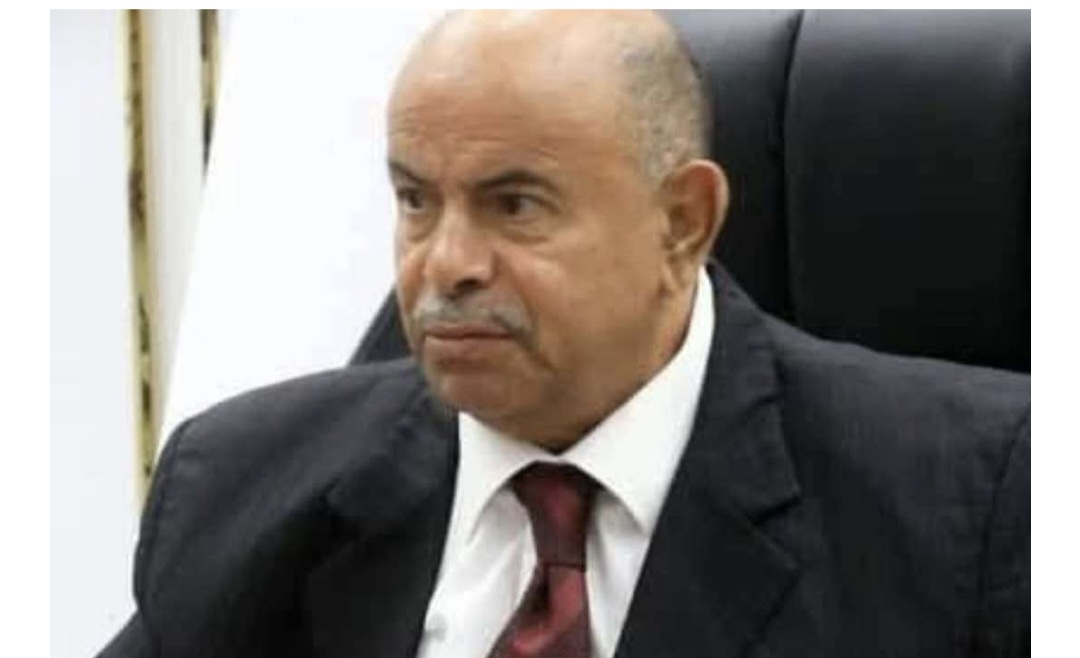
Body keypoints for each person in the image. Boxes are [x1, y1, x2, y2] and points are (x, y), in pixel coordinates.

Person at [99, 10, 1029, 658]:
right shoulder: (242, 487)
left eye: (515, 205)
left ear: (683, 224)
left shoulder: (981, 502)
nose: (446, 262)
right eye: (416, 201)